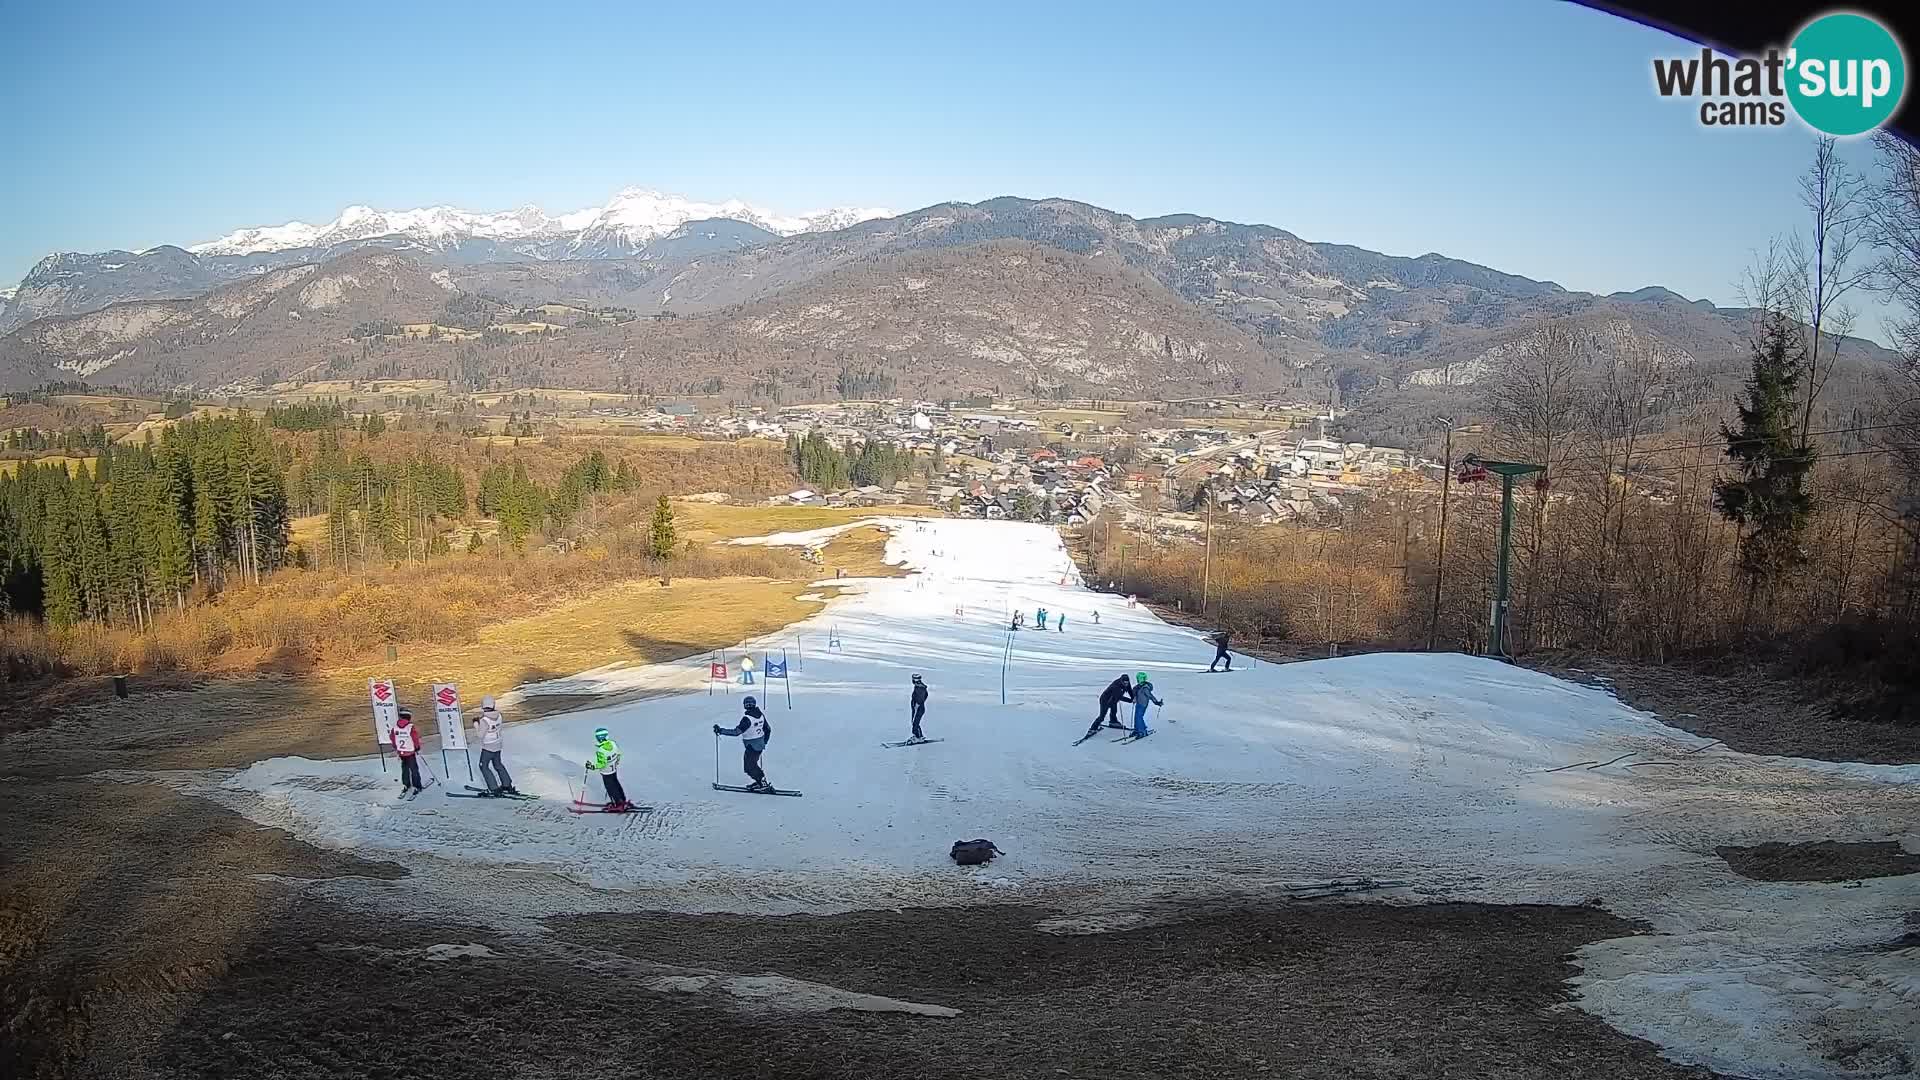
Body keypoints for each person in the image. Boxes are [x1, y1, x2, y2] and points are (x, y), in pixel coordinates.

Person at [714, 696, 774, 792]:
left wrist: (721, 730)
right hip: (758, 745)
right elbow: (768, 729)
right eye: (747, 704)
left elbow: (736, 732)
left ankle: (763, 783)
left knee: (749, 767)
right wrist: (764, 742)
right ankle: (759, 782)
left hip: (752, 746)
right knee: (751, 765)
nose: (748, 706)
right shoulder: (760, 715)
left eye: (749, 704)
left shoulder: (747, 719)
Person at [472, 695, 518, 795]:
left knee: (483, 766)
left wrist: (476, 724)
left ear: (483, 706)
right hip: (498, 744)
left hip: (488, 747)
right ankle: (507, 784)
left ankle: (493, 788)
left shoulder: (484, 720)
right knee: (498, 764)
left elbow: (480, 735)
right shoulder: (499, 716)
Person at [584, 726, 630, 811]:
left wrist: (592, 766)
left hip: (606, 772)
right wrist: (616, 763)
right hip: (613, 769)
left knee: (610, 788)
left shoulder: (601, 751)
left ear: (598, 738)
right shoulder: (613, 744)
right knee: (616, 784)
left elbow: (602, 764)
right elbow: (618, 754)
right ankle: (622, 800)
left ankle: (617, 804)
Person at [1083, 674, 1134, 739]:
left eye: (1127, 682)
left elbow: (1130, 690)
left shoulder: (1127, 683)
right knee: (1102, 716)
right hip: (1105, 700)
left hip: (1113, 700)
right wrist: (1130, 701)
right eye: (1125, 683)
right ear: (1121, 681)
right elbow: (1119, 697)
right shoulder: (1116, 686)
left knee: (1114, 711)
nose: (1126, 684)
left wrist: (1133, 698)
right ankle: (1092, 729)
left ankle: (1113, 722)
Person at [390, 708, 426, 794]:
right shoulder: (410, 727)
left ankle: (406, 784)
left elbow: (393, 739)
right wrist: (417, 747)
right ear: (408, 717)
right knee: (414, 769)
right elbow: (415, 738)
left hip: (401, 752)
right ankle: (417, 786)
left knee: (405, 768)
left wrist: (396, 748)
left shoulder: (395, 728)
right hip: (410, 752)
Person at [1130, 671, 1164, 738]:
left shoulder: (1145, 688)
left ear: (1143, 679)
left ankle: (1142, 731)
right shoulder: (1138, 687)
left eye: (1139, 678)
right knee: (1136, 717)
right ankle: (1137, 730)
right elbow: (1135, 693)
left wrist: (1157, 702)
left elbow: (1151, 696)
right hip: (1138, 703)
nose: (1138, 680)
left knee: (1139, 717)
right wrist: (1134, 698)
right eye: (1138, 678)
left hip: (1143, 705)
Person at [909, 674, 929, 741]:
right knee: (916, 722)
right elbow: (926, 695)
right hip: (918, 707)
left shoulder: (919, 688)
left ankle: (917, 737)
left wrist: (918, 704)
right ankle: (919, 736)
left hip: (918, 708)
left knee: (915, 722)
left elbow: (921, 698)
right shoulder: (920, 687)